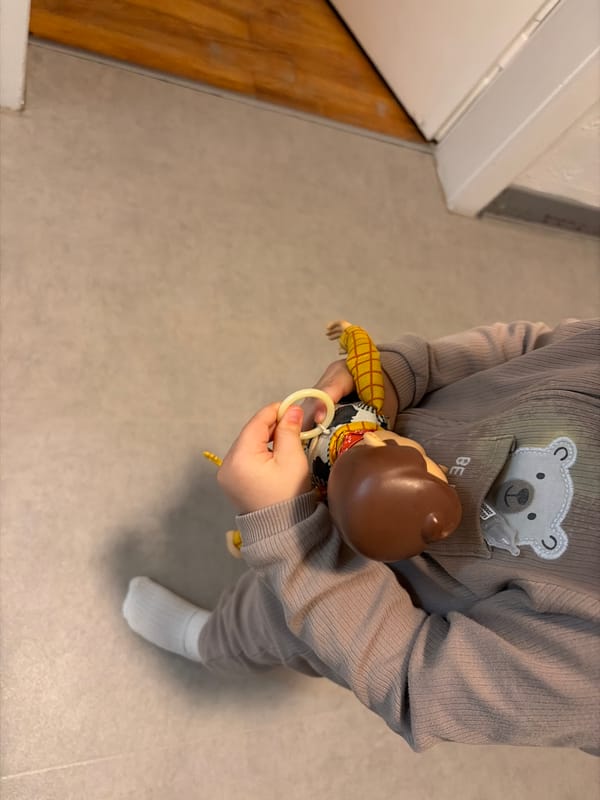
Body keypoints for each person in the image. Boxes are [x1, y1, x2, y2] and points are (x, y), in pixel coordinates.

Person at [123, 318, 599, 753]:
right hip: (343, 462)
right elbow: (529, 347)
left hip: (367, 598)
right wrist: (396, 375)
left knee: (269, 614)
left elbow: (418, 681)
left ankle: (205, 640)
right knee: (272, 552)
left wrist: (286, 533)